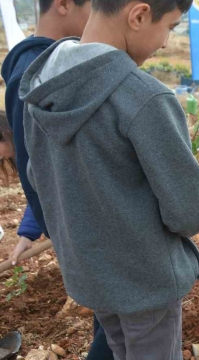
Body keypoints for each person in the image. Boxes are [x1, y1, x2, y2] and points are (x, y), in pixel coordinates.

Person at [20, 0, 199, 358]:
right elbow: (187, 213)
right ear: (138, 15)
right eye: (170, 27)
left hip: (90, 274)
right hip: (147, 279)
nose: (167, 43)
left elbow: (38, 177)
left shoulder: (42, 85)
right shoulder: (144, 97)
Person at [0, 1, 114, 359]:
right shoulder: (37, 75)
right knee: (116, 331)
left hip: (85, 228)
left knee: (114, 326)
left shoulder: (43, 67)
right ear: (64, 4)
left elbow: (44, 164)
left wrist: (31, 229)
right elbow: (44, 171)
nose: (99, 17)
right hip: (89, 230)